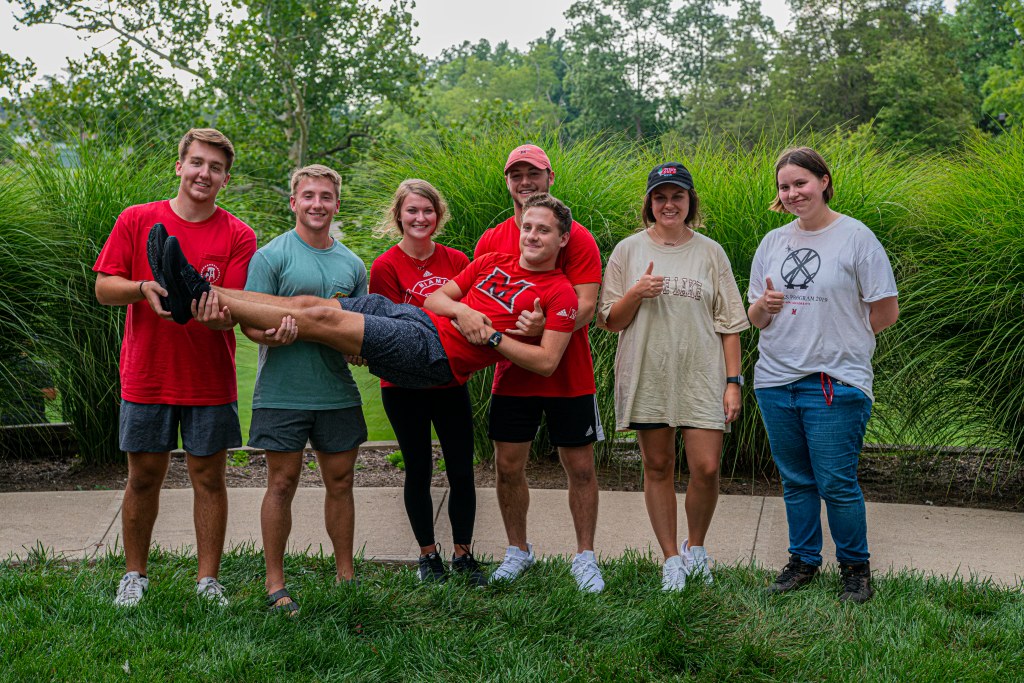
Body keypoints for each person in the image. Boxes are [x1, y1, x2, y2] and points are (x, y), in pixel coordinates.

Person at [166, 192, 578, 406]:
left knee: (321, 323)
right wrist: (464, 310)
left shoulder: (560, 292)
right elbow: (436, 300)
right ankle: (202, 291)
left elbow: (546, 362)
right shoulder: (493, 260)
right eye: (528, 227)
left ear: (562, 239)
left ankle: (195, 292)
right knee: (313, 304)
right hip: (417, 320)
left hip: (436, 356)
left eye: (544, 231)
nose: (532, 236)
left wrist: (489, 339)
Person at [93, 128, 257, 607]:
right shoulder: (138, 219)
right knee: (143, 475)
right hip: (148, 373)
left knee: (210, 478)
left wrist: (216, 316)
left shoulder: (238, 234)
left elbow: (235, 307)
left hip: (208, 376)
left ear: (225, 179)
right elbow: (105, 288)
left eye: (216, 167)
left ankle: (208, 581)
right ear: (180, 166)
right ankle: (134, 576)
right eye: (198, 163)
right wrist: (143, 287)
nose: (205, 173)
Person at [747, 146, 899, 604]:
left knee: (836, 481)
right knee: (796, 479)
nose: (793, 193)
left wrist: (842, 337)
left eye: (801, 183)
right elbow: (754, 317)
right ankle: (803, 561)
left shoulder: (856, 237)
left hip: (834, 380)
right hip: (775, 380)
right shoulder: (773, 242)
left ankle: (856, 568)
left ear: (824, 181)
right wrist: (764, 307)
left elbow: (887, 310)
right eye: (784, 186)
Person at [598, 162, 749, 591]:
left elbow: (730, 324)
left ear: (689, 201)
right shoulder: (628, 251)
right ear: (649, 203)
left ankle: (696, 548)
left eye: (677, 196)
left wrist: (733, 383)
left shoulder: (710, 252)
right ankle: (670, 559)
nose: (669, 204)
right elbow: (610, 320)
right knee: (658, 465)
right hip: (648, 373)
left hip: (703, 375)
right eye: (660, 197)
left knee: (706, 467)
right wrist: (635, 294)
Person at [473, 144, 605, 592]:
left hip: (569, 371)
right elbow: (478, 304)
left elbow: (586, 304)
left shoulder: (576, 236)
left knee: (581, 467)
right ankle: (517, 550)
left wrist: (548, 325)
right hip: (511, 373)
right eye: (516, 175)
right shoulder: (492, 240)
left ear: (550, 178)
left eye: (534, 174)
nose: (525, 182)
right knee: (508, 465)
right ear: (508, 182)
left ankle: (585, 557)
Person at [242, 164, 368, 614]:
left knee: (342, 481)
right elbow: (250, 325)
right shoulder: (271, 257)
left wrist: (358, 350)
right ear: (294, 202)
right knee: (281, 482)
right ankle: (275, 583)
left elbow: (357, 330)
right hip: (281, 392)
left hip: (336, 393)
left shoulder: (352, 265)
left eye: (326, 197)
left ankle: (346, 575)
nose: (318, 204)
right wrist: (269, 335)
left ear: (337, 204)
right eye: (309, 196)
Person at [368, 179, 484, 585]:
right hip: (403, 388)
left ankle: (463, 555)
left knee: (461, 470)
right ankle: (428, 556)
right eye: (412, 210)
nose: (420, 218)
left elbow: (469, 316)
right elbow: (385, 329)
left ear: (438, 216)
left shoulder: (456, 260)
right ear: (399, 215)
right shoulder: (385, 267)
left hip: (450, 380)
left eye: (427, 211)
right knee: (417, 469)